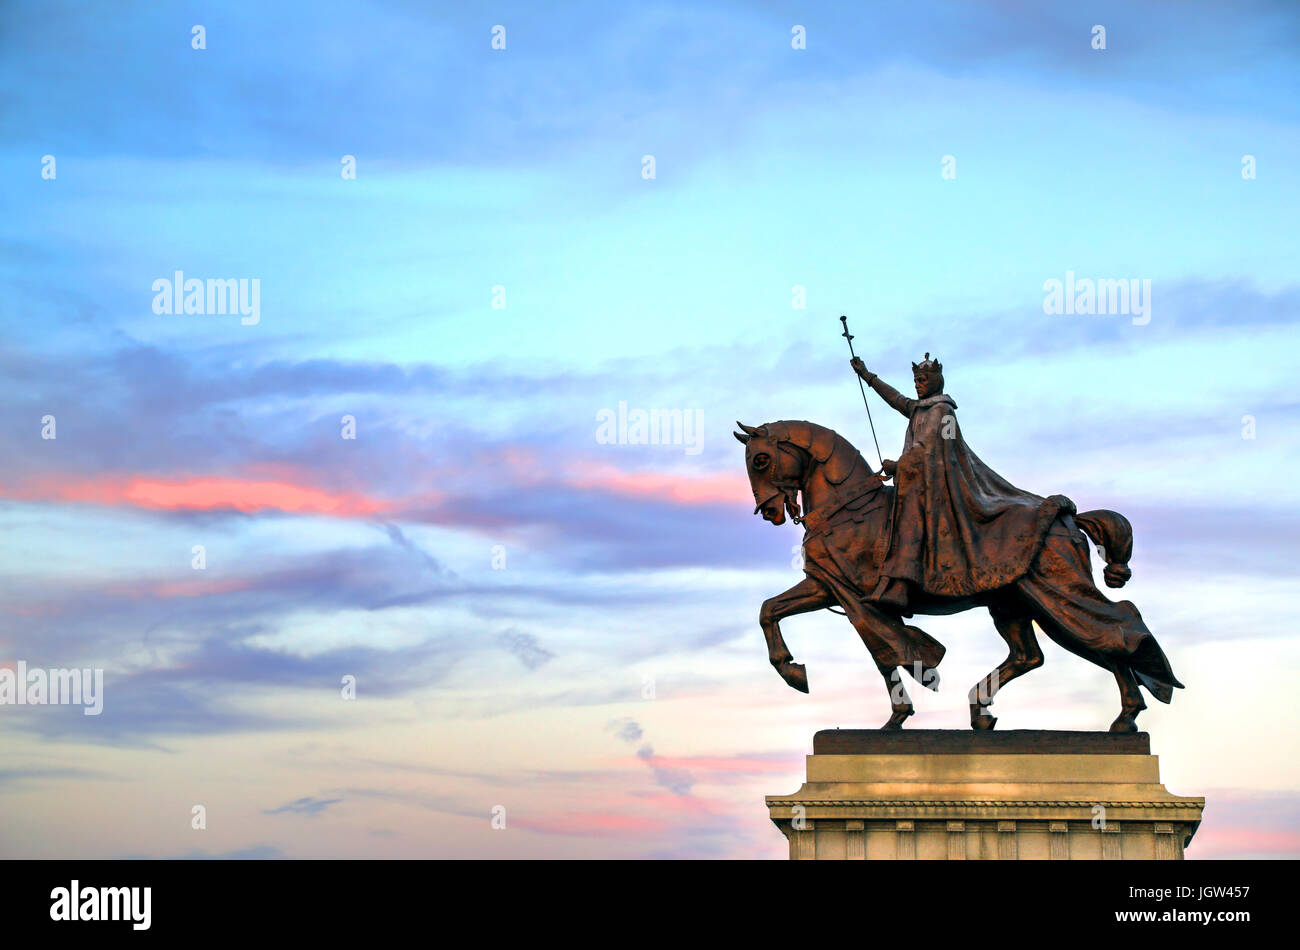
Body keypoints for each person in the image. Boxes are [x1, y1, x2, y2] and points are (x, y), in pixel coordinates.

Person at [850, 353, 1067, 612]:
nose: (917, 385)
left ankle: (901, 585)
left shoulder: (943, 412)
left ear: (936, 381)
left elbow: (932, 450)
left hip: (941, 485)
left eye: (922, 380)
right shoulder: (921, 409)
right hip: (921, 481)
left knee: (910, 517)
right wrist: (866, 375)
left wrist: (899, 466)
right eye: (916, 380)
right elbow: (896, 400)